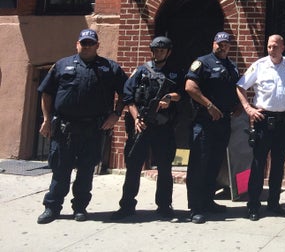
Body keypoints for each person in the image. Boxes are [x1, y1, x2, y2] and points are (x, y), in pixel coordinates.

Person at [36, 29, 126, 224]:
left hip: (93, 129)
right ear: (77, 44)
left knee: (86, 171)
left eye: (90, 43)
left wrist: (115, 114)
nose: (86, 46)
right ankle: (52, 207)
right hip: (64, 129)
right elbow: (46, 93)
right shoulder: (62, 65)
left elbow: (126, 93)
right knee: (61, 170)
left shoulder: (109, 68)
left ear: (97, 46)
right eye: (83, 43)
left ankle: (80, 208)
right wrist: (45, 119)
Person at [112, 36, 183, 220]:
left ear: (168, 52)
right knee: (134, 166)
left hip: (163, 127)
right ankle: (127, 205)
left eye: (162, 50)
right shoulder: (141, 71)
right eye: (156, 50)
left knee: (165, 168)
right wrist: (136, 119)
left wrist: (169, 98)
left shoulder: (175, 72)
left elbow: (182, 94)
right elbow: (128, 98)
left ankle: (164, 206)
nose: (158, 53)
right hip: (142, 126)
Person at [237, 34, 285, 221]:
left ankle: (274, 203)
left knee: (278, 165)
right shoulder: (259, 65)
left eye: (275, 46)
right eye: (269, 46)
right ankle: (253, 205)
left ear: (283, 47)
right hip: (263, 121)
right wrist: (248, 109)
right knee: (258, 164)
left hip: (284, 122)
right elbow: (240, 87)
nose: (271, 49)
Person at [184, 31, 241, 224]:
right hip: (204, 122)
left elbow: (234, 89)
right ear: (213, 43)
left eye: (225, 44)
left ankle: (208, 201)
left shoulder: (232, 66)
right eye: (219, 43)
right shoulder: (202, 62)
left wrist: (239, 105)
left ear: (229, 46)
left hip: (223, 122)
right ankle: (195, 208)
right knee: (199, 164)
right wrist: (209, 106)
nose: (222, 46)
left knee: (214, 163)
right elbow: (190, 87)